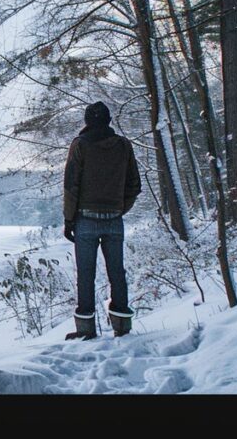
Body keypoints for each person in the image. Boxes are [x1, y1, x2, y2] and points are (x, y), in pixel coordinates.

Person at [62, 101, 141, 340]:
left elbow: (71, 186)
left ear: (87, 121)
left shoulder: (80, 145)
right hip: (114, 220)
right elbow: (134, 185)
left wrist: (69, 219)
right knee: (117, 272)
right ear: (109, 120)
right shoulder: (124, 146)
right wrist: (119, 209)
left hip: (85, 219)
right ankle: (122, 327)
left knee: (85, 274)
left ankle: (86, 330)